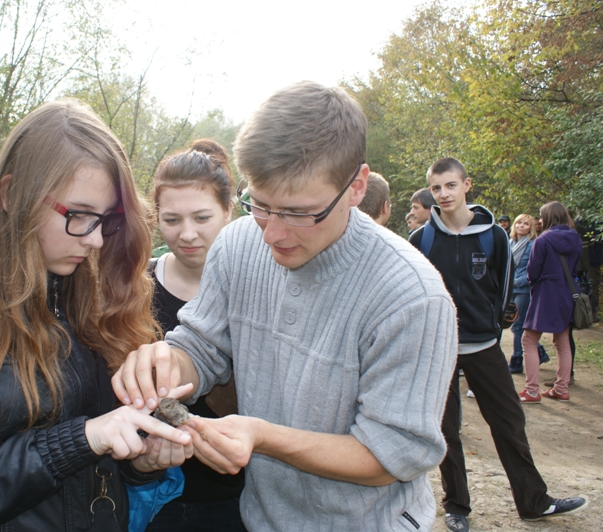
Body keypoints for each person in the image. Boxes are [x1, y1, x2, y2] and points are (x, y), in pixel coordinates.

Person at [113, 81, 458, 530]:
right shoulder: (237, 243)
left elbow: (389, 455)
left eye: (298, 212)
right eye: (259, 204)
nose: (272, 233)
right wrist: (166, 365)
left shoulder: (412, 297)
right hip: (260, 519)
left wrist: (261, 436)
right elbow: (203, 347)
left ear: (356, 186)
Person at [0, 99, 194, 532]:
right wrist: (77, 441)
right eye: (79, 215)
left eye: (107, 219)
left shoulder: (95, 300)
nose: (98, 240)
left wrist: (143, 462)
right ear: (11, 195)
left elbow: (99, 474)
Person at [409, 158, 588, 531]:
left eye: (451, 185)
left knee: (509, 422)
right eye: (437, 188)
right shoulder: (421, 239)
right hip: (438, 349)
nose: (444, 194)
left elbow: (504, 288)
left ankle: (534, 502)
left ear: (466, 185)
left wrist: (492, 329)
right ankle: (457, 505)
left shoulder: (494, 236)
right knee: (446, 431)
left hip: (483, 346)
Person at [146, 139, 245, 531]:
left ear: (227, 211)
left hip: (238, 495)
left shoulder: (254, 287)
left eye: (202, 218)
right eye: (172, 220)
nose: (187, 234)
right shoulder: (134, 288)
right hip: (155, 494)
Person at [520, 202, 583, 403]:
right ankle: (561, 388)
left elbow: (533, 270)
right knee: (562, 340)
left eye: (541, 215)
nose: (539, 220)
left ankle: (531, 391)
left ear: (548, 217)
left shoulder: (543, 239)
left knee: (528, 339)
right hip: (567, 291)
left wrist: (534, 285)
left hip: (546, 292)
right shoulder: (576, 238)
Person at [508, 214, 549, 374]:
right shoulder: (510, 242)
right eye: (519, 223)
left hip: (523, 288)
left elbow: (535, 269)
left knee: (518, 326)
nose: (521, 226)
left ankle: (516, 360)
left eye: (526, 224)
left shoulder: (532, 245)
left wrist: (519, 281)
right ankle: (540, 352)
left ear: (531, 227)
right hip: (510, 288)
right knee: (516, 324)